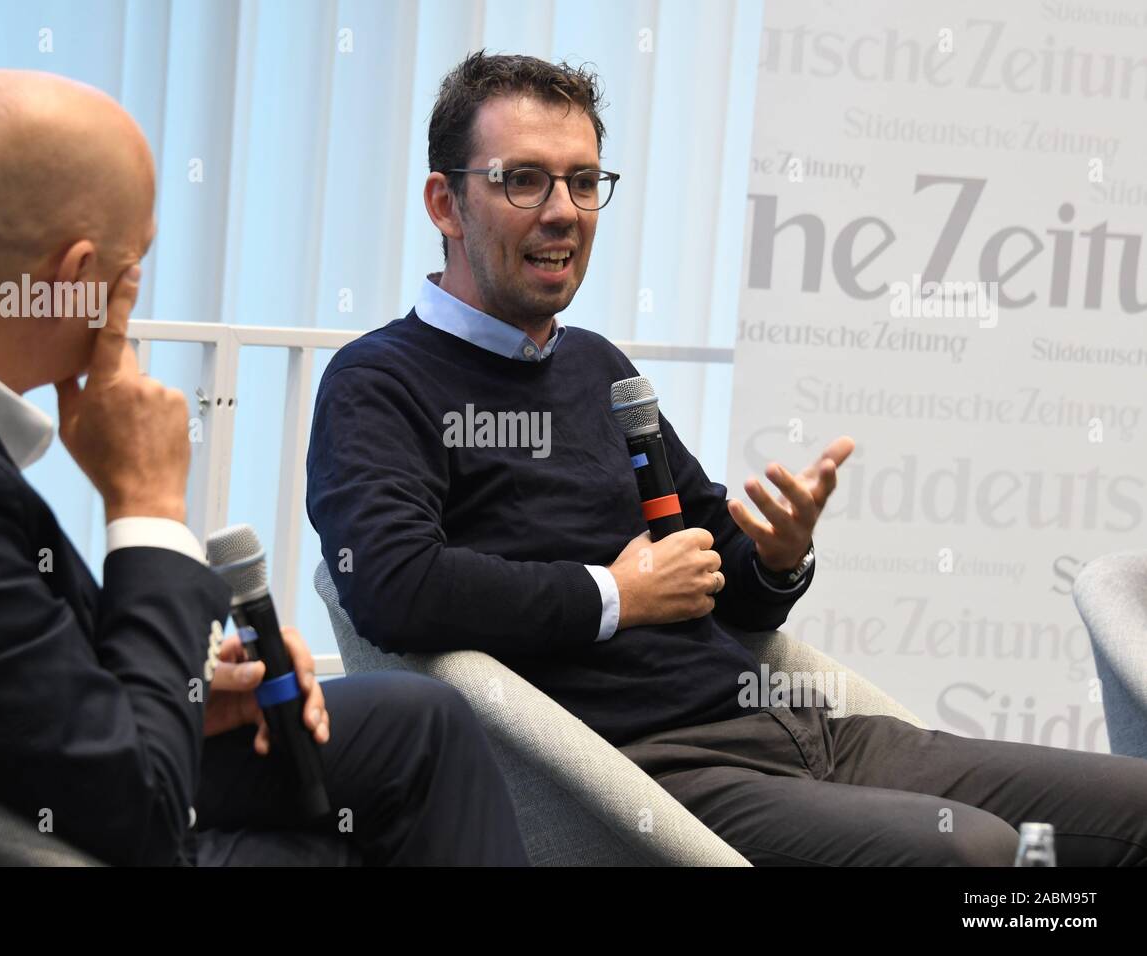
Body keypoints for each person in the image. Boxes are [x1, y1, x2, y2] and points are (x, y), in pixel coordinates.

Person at [306, 51, 1147, 866]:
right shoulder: (377, 383)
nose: (563, 210)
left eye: (585, 180)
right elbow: (391, 585)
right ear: (445, 203)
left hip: (799, 729)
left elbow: (723, 577)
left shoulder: (597, 364)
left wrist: (777, 558)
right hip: (656, 771)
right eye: (523, 179)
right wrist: (615, 596)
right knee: (971, 850)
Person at [0, 69, 526, 867]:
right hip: (33, 837)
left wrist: (193, 681)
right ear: (76, 280)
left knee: (420, 727)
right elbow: (138, 808)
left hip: (21, 761)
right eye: (133, 267)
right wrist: (146, 505)